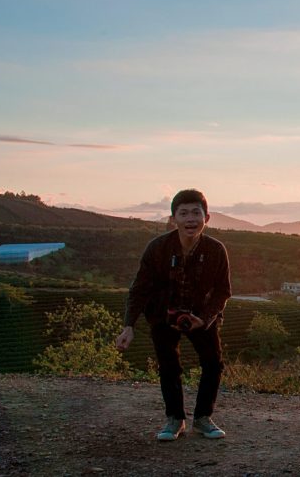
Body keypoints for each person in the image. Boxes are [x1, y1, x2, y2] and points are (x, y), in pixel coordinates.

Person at [114, 189, 232, 442]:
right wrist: (129, 326)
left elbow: (223, 291)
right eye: (184, 213)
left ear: (207, 218)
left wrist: (206, 318)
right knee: (169, 367)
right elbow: (140, 288)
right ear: (173, 219)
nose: (191, 219)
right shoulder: (157, 248)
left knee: (212, 364)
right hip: (162, 315)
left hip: (201, 315)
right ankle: (175, 419)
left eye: (196, 213)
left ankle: (202, 419)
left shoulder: (216, 250)